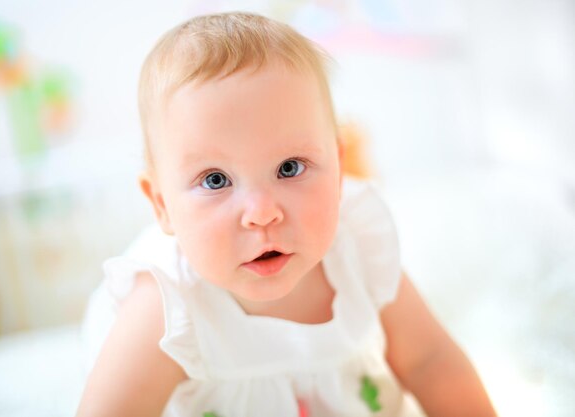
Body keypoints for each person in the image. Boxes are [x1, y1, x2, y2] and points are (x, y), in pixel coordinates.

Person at [76, 12, 496, 417]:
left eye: (290, 168)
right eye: (216, 180)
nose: (261, 214)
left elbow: (431, 362)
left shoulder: (359, 252)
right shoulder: (166, 311)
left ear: (337, 170)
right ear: (162, 205)